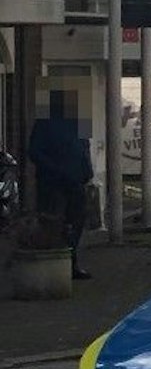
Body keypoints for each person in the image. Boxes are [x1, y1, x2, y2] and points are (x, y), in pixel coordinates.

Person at [28, 92, 93, 279]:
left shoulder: (77, 121)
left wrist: (87, 170)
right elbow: (35, 151)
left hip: (75, 181)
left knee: (77, 221)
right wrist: (54, 170)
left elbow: (84, 146)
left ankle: (71, 262)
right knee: (53, 222)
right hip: (53, 183)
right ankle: (54, 265)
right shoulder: (45, 123)